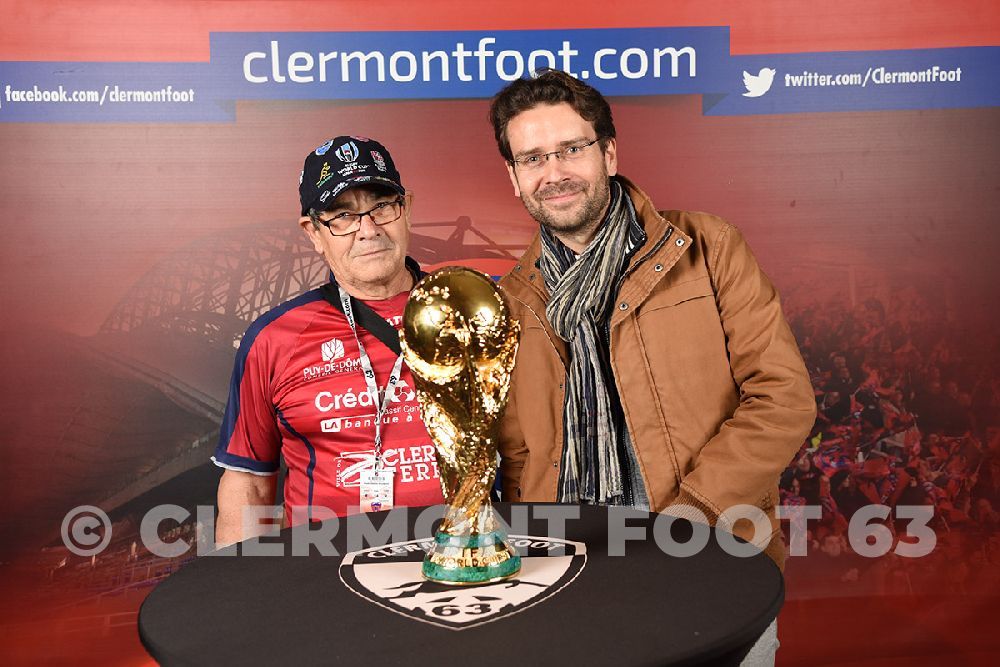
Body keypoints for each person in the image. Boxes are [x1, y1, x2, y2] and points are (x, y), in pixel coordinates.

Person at [489, 69, 816, 664]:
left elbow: (781, 397)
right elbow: (517, 457)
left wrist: (690, 519)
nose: (554, 172)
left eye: (571, 148)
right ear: (513, 177)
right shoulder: (509, 303)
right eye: (532, 157)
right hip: (567, 584)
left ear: (609, 152)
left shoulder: (709, 248)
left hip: (713, 563)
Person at [212, 136, 443, 545]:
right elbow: (248, 485)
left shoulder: (472, 311)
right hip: (325, 583)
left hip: (464, 565)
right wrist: (241, 599)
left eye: (382, 207)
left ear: (406, 210)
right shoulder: (272, 339)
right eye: (342, 216)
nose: (368, 230)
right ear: (314, 232)